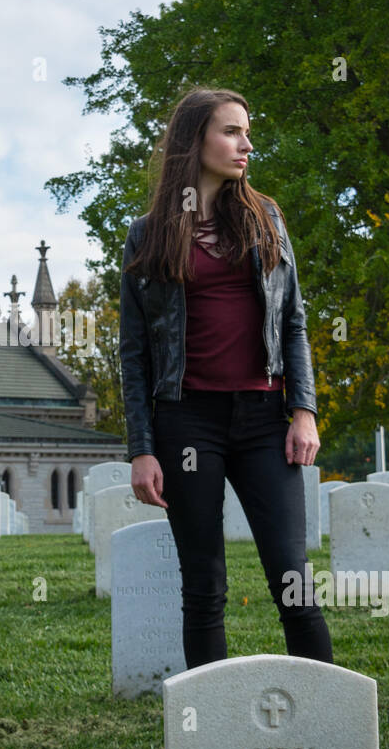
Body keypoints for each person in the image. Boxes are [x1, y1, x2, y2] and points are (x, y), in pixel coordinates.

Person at [119, 86, 333, 669]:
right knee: (204, 586)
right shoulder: (148, 235)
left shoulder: (266, 220)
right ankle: (206, 733)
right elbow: (133, 355)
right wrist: (142, 449)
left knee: (293, 580)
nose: (247, 143)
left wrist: (303, 410)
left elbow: (293, 322)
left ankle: (330, 726)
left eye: (247, 130)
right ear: (195, 140)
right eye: (232, 131)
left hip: (265, 418)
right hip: (186, 422)